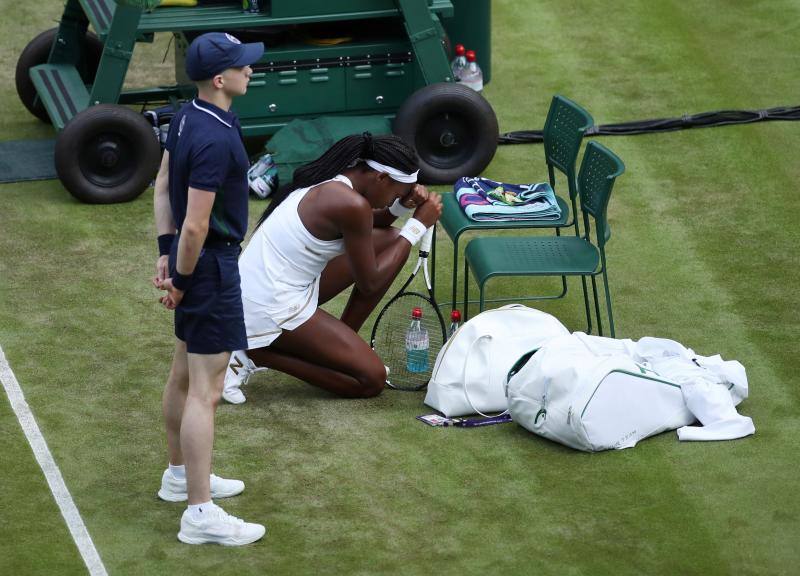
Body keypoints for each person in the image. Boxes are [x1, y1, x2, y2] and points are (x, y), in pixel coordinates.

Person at [221, 133, 442, 402]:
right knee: (371, 380)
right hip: (267, 306)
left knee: (389, 239)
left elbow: (372, 223)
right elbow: (369, 283)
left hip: (263, 289)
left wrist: (400, 206)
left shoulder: (336, 181)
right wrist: (416, 226)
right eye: (397, 191)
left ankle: (339, 349)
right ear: (380, 178)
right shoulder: (351, 204)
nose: (396, 197)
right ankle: (255, 353)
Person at [152, 32, 266, 546]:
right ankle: (200, 513)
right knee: (207, 391)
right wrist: (181, 277)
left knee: (183, 372)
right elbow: (197, 226)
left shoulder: (186, 115)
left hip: (191, 263)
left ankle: (180, 477)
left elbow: (161, 188)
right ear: (220, 79)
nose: (251, 71)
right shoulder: (216, 139)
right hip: (210, 268)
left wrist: (164, 252)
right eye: (243, 67)